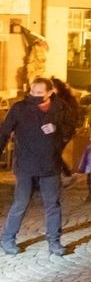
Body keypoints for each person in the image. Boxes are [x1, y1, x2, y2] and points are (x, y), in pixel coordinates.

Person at [0, 77, 69, 256]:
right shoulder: (19, 108)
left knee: (52, 204)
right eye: (33, 92)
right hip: (26, 165)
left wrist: (57, 131)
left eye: (40, 93)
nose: (35, 96)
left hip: (49, 164)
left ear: (49, 93)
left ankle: (54, 241)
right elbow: (4, 132)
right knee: (20, 203)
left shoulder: (59, 107)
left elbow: (70, 128)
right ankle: (8, 239)